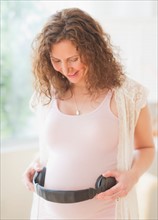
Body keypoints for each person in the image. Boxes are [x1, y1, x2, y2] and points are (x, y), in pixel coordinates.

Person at [23, 8, 155, 220]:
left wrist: (132, 175)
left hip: (108, 213)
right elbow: (59, 149)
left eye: (73, 59)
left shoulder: (129, 96)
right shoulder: (47, 96)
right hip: (48, 213)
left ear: (92, 50)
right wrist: (35, 164)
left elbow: (146, 147)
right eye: (56, 61)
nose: (66, 69)